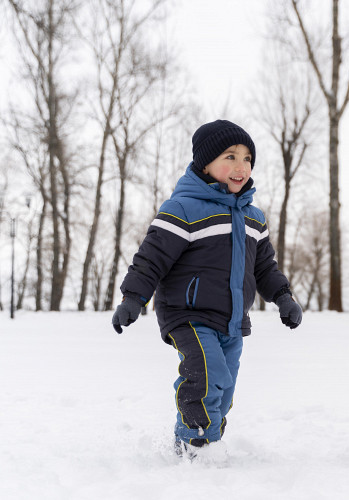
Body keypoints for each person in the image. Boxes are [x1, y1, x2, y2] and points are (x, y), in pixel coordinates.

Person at [111, 119, 302, 458]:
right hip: (188, 315)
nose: (240, 166)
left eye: (247, 158)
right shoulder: (183, 209)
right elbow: (151, 259)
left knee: (224, 385)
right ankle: (195, 443)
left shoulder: (254, 218)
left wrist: (283, 297)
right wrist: (132, 298)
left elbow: (264, 267)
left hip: (231, 320)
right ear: (205, 163)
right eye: (230, 156)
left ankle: (205, 438)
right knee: (207, 372)